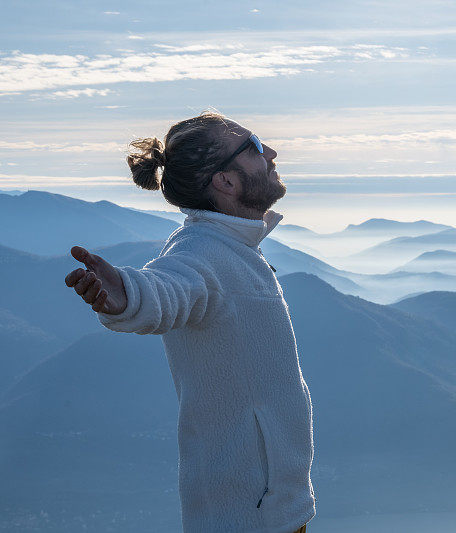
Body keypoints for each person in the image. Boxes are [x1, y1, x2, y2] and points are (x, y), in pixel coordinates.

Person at [64, 110, 315, 533]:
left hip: (270, 508)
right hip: (248, 518)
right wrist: (126, 295)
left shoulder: (229, 247)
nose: (270, 151)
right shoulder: (203, 252)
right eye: (254, 145)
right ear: (227, 181)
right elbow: (167, 289)